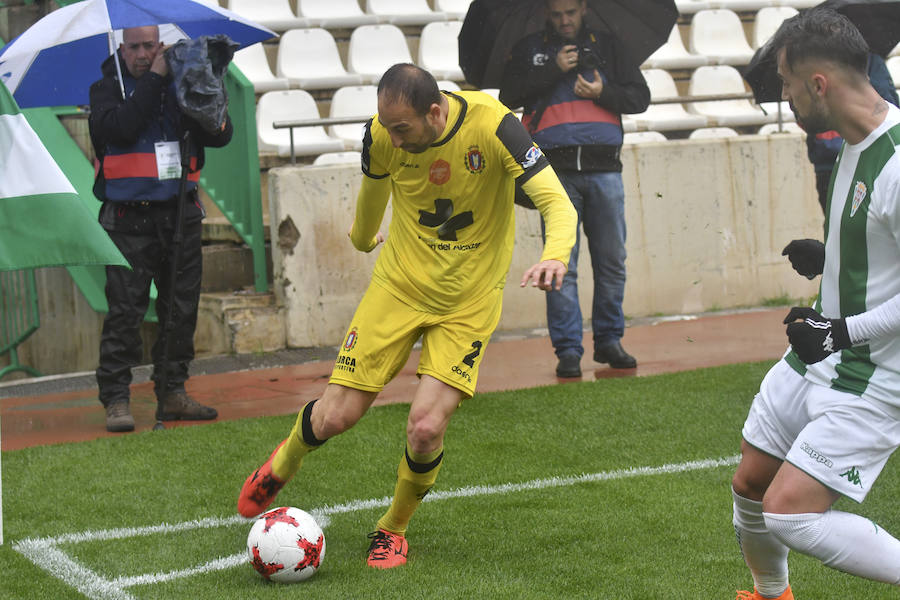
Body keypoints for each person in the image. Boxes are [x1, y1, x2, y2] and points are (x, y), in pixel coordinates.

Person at [238, 63, 577, 569]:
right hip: (397, 287)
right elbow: (372, 198)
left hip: (467, 303)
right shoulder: (380, 136)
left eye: (403, 129)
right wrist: (359, 238)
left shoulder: (495, 125)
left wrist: (556, 253)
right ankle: (283, 462)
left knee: (424, 428)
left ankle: (392, 528)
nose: (393, 139)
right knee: (336, 417)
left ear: (435, 112)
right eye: (386, 127)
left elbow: (557, 203)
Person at [731, 9, 900, 600]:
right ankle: (770, 596)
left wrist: (838, 333)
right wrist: (829, 255)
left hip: (872, 377)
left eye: (786, 84)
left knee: (788, 513)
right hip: (820, 354)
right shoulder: (854, 144)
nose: (785, 97)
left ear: (818, 84)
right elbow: (881, 245)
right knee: (750, 484)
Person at [89, 26, 231, 432]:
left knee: (181, 309)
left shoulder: (182, 82)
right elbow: (120, 128)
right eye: (134, 47)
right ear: (121, 48)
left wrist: (205, 89)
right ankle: (116, 398)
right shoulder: (105, 90)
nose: (142, 54)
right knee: (125, 311)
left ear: (161, 44)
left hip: (179, 214)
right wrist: (154, 77)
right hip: (127, 219)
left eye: (149, 46)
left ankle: (172, 392)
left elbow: (222, 135)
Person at [498, 0, 650, 378]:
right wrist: (553, 69)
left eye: (571, 12)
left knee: (612, 261)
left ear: (583, 8)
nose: (565, 20)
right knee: (562, 264)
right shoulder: (530, 48)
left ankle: (609, 341)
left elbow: (639, 98)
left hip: (605, 168)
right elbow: (508, 97)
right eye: (557, 14)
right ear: (546, 13)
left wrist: (603, 92)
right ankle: (568, 350)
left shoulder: (610, 45)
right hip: (554, 172)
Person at [803, 52, 898, 214]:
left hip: (832, 160)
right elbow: (889, 103)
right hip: (842, 161)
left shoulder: (812, 63)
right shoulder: (869, 61)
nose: (785, 93)